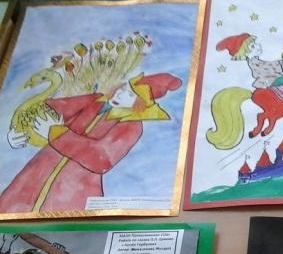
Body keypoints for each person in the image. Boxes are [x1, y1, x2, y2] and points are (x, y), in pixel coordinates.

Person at [0, 73, 181, 213]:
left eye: (129, 94)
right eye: (123, 88)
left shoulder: (131, 126)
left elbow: (100, 158)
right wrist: (20, 131)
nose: (120, 94)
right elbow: (52, 108)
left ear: (140, 103)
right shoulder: (95, 100)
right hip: (34, 175)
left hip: (74, 192)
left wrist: (55, 132)